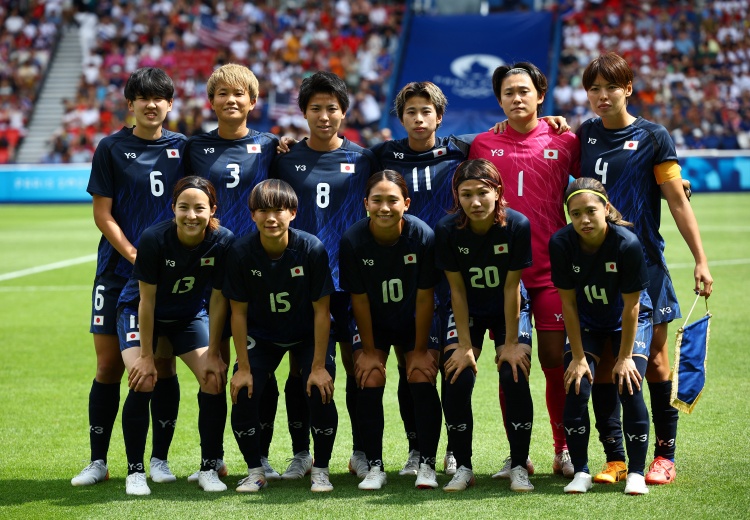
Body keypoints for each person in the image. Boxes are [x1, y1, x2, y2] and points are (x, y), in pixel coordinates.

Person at [577, 52, 713, 486]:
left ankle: (664, 456)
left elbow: (676, 201)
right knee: (604, 363)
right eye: (594, 88)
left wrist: (701, 259)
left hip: (645, 264)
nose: (602, 96)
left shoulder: (654, 136)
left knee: (653, 360)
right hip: (595, 269)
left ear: (628, 89)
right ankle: (616, 458)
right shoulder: (584, 134)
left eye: (610, 87)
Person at [74, 67, 186, 487]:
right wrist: (136, 256)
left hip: (167, 276)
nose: (151, 105)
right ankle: (98, 461)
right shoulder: (111, 147)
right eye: (143, 98)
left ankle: (159, 460)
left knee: (163, 363)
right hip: (117, 271)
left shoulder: (183, 148)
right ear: (131, 104)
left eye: (159, 98)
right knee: (108, 366)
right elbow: (102, 215)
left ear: (170, 104)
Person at [469, 62, 580, 479]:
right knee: (510, 363)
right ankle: (518, 455)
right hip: (502, 276)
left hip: (551, 271)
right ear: (499, 100)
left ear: (540, 95)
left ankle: (563, 449)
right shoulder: (483, 143)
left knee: (554, 361)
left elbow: (596, 182)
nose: (517, 98)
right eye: (509, 92)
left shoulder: (565, 139)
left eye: (524, 91)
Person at [271, 71, 376, 480]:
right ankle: (301, 454)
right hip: (301, 282)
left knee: (357, 366)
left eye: (332, 108)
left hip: (351, 281)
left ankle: (362, 452)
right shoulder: (284, 159)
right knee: (301, 370)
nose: (324, 115)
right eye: (315, 108)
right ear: (303, 112)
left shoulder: (365, 159)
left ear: (344, 111)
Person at [184, 63, 282, 482]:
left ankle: (261, 457)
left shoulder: (272, 146)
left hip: (258, 272)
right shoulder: (193, 147)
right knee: (214, 366)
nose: (231, 100)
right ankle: (211, 459)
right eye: (222, 93)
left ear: (253, 101)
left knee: (260, 369)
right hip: (208, 271)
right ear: (211, 101)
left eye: (239, 93)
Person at [116, 176, 234, 495]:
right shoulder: (154, 238)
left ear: (212, 210)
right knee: (143, 378)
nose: (191, 215)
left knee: (213, 377)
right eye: (184, 207)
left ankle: (209, 466)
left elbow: (218, 299)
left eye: (199, 208)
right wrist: (146, 356)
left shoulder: (223, 241)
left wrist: (213, 352)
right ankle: (136, 471)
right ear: (173, 209)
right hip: (140, 311)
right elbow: (146, 301)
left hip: (188, 315)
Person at [225, 179, 338, 493]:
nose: (271, 218)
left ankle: (320, 469)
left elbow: (322, 311)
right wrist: (243, 367)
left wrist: (318, 367)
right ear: (252, 215)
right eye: (263, 211)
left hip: (306, 333)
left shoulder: (311, 248)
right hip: (262, 335)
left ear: (293, 213)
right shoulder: (240, 252)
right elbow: (238, 313)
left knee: (319, 387)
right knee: (244, 390)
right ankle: (255, 471)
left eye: (278, 210)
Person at [435, 159, 534, 493]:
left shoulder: (517, 225)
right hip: (469, 309)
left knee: (513, 373)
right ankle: (463, 466)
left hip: (509, 305)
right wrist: (465, 346)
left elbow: (512, 288)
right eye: (466, 194)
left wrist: (511, 343)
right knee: (457, 376)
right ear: (457, 196)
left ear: (498, 191)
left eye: (483, 192)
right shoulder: (447, 229)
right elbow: (457, 291)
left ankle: (519, 465)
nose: (475, 202)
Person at [339, 171, 442, 490]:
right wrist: (370, 352)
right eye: (377, 200)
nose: (384, 207)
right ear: (365, 203)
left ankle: (427, 464)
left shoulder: (422, 236)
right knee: (370, 375)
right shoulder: (353, 240)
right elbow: (359, 300)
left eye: (392, 200)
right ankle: (375, 466)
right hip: (375, 321)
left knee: (420, 374)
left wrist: (421, 350)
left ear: (406, 203)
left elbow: (425, 297)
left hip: (414, 319)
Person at [550, 178, 653, 496]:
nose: (584, 219)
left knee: (629, 384)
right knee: (577, 386)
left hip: (628, 319)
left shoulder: (626, 244)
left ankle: (636, 473)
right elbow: (568, 304)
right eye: (575, 213)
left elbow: (632, 306)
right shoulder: (561, 243)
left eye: (591, 211)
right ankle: (580, 471)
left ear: (606, 209)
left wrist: (625, 358)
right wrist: (579, 358)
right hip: (587, 322)